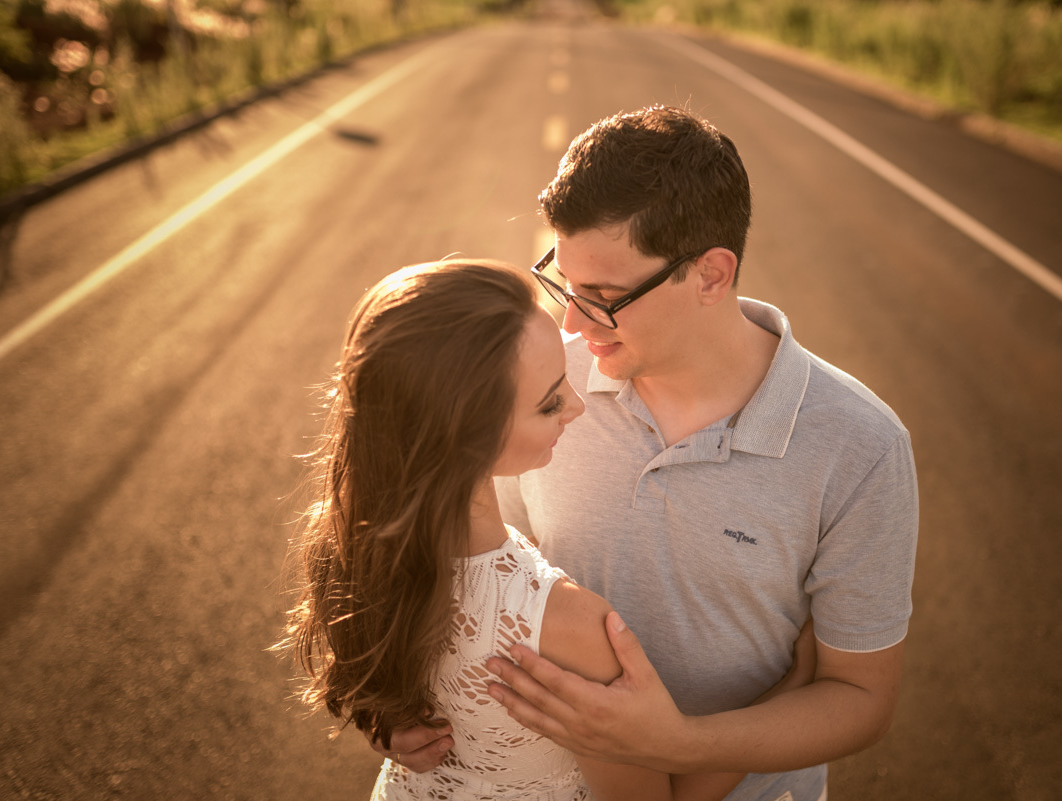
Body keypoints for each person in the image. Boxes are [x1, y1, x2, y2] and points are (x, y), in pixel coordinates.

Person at [463, 106, 916, 801]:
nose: (573, 326)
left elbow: (860, 696)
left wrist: (677, 743)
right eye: (566, 282)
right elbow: (487, 585)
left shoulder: (862, 445)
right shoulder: (543, 389)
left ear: (710, 274)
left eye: (605, 297)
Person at [282, 259, 812, 800]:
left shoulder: (348, 554)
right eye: (549, 401)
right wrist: (792, 687)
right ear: (464, 437)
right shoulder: (571, 627)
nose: (579, 405)